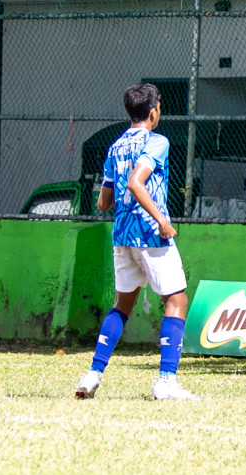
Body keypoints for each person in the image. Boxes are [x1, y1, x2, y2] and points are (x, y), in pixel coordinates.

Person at [75, 83, 197, 400]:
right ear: (153, 110)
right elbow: (136, 181)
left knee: (123, 305)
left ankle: (93, 374)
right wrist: (162, 220)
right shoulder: (157, 142)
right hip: (150, 233)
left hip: (122, 234)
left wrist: (123, 198)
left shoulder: (115, 147)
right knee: (177, 301)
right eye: (159, 106)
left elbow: (103, 203)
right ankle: (166, 382)